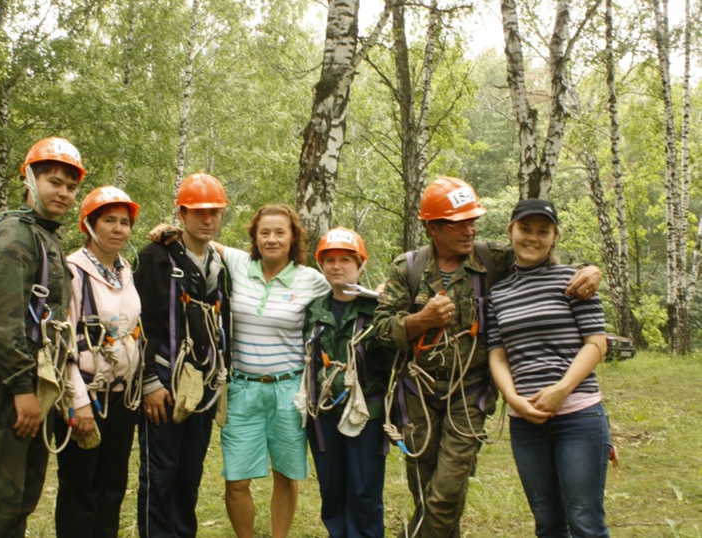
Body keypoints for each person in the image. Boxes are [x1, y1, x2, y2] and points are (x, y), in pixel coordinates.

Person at [373, 176, 601, 537]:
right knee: (425, 488)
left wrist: (591, 270)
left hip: (470, 394)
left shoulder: (492, 257)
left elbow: (540, 254)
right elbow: (382, 330)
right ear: (433, 228)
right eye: (459, 223)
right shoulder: (408, 268)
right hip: (417, 396)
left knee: (446, 492)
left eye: (473, 221)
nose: (470, 230)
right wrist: (420, 320)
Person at [0, 137, 86, 536]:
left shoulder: (44, 235)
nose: (64, 193)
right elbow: (1, 321)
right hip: (3, 389)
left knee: (20, 499)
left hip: (30, 386)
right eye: (55, 182)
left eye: (71, 186)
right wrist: (21, 390)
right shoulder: (16, 237)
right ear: (29, 179)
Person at [487, 198, 610, 537]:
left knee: (584, 520)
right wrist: (513, 399)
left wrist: (561, 390)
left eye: (543, 231)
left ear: (554, 237)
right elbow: (497, 354)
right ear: (511, 230)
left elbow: (597, 343)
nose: (533, 238)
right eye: (525, 228)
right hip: (525, 422)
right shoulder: (498, 293)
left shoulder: (575, 281)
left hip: (579, 416)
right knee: (547, 523)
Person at [217, 204, 329, 538]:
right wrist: (167, 231)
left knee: (285, 473)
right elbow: (202, 238)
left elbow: (345, 294)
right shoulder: (238, 264)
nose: (272, 239)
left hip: (289, 390)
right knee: (236, 478)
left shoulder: (311, 280)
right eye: (264, 232)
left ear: (293, 236)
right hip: (242, 389)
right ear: (254, 236)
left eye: (280, 232)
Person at [136, 173, 232, 537]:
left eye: (215, 212)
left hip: (203, 389)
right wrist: (147, 382)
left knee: (188, 476)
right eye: (198, 212)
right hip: (163, 384)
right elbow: (143, 324)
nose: (207, 220)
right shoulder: (157, 257)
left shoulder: (218, 265)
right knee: (159, 476)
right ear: (181, 213)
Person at [54, 186, 143, 538]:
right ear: (88, 225)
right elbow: (61, 343)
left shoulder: (124, 270)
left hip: (121, 397)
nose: (119, 229)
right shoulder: (72, 272)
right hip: (86, 395)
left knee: (112, 485)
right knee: (80, 487)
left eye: (125, 222)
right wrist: (78, 403)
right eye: (109, 220)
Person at [301, 227, 393, 538]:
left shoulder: (379, 308)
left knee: (365, 491)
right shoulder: (313, 311)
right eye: (329, 260)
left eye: (345, 259)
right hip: (324, 414)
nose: (337, 266)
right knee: (332, 489)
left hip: (366, 413)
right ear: (321, 265)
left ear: (360, 265)